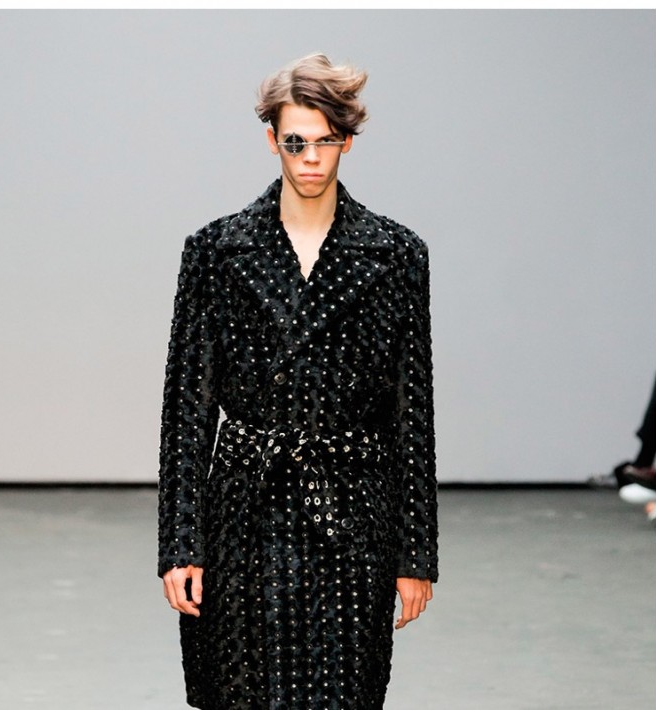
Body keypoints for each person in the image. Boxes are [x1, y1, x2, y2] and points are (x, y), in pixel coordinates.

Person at [157, 53, 438, 709]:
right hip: (244, 515)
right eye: (295, 142)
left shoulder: (396, 254)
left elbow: (413, 409)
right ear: (271, 141)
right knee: (243, 692)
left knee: (343, 692)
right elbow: (187, 411)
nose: (311, 158)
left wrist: (415, 553)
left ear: (347, 142)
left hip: (353, 514)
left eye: (326, 141)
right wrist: (180, 545)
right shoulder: (216, 252)